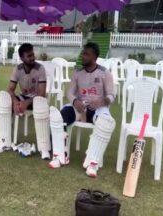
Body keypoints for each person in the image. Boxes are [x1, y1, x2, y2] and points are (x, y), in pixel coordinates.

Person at [48, 42, 116, 178]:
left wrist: (103, 101)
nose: (83, 56)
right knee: (60, 117)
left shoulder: (104, 73)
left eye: (86, 54)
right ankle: (60, 155)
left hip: (98, 109)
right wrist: (75, 101)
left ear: (95, 57)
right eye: (83, 53)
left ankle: (92, 163)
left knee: (105, 123)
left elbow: (111, 95)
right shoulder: (77, 73)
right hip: (80, 107)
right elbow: (70, 92)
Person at [0, 43, 51, 159]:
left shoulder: (40, 69)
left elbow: (42, 94)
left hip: (37, 99)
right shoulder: (18, 69)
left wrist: (27, 102)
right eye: (29, 56)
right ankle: (4, 142)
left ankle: (44, 148)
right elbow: (10, 89)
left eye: (32, 55)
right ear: (22, 58)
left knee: (40, 102)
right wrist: (15, 101)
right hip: (23, 97)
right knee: (5, 99)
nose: (32, 58)